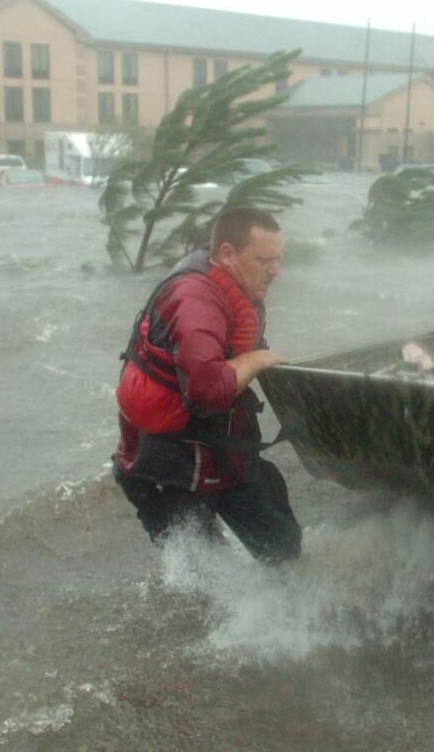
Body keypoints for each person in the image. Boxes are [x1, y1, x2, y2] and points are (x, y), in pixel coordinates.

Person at [111, 207, 301, 563]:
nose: (275, 271)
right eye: (264, 260)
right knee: (202, 577)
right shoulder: (193, 300)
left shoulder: (232, 285)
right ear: (227, 254)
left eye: (278, 259)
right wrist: (260, 359)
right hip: (165, 465)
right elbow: (207, 391)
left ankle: (284, 610)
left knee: (282, 546)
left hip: (219, 449)